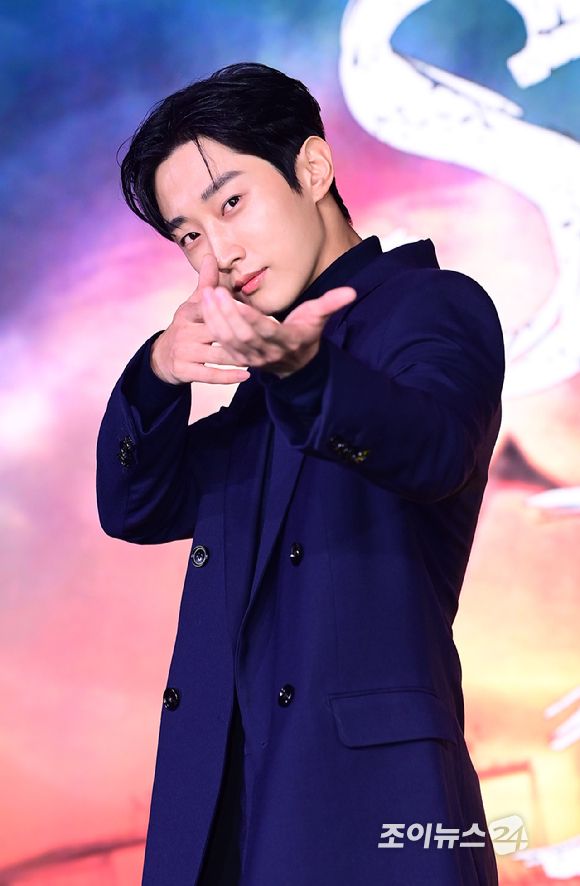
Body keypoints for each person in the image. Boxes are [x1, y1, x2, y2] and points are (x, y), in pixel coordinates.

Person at [96, 62, 504, 885]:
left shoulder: (432, 306)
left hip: (380, 821)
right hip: (228, 821)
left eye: (230, 204)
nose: (220, 253)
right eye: (188, 236)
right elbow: (136, 505)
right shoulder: (262, 391)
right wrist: (159, 373)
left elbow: (435, 447)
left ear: (312, 169)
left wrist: (308, 377)